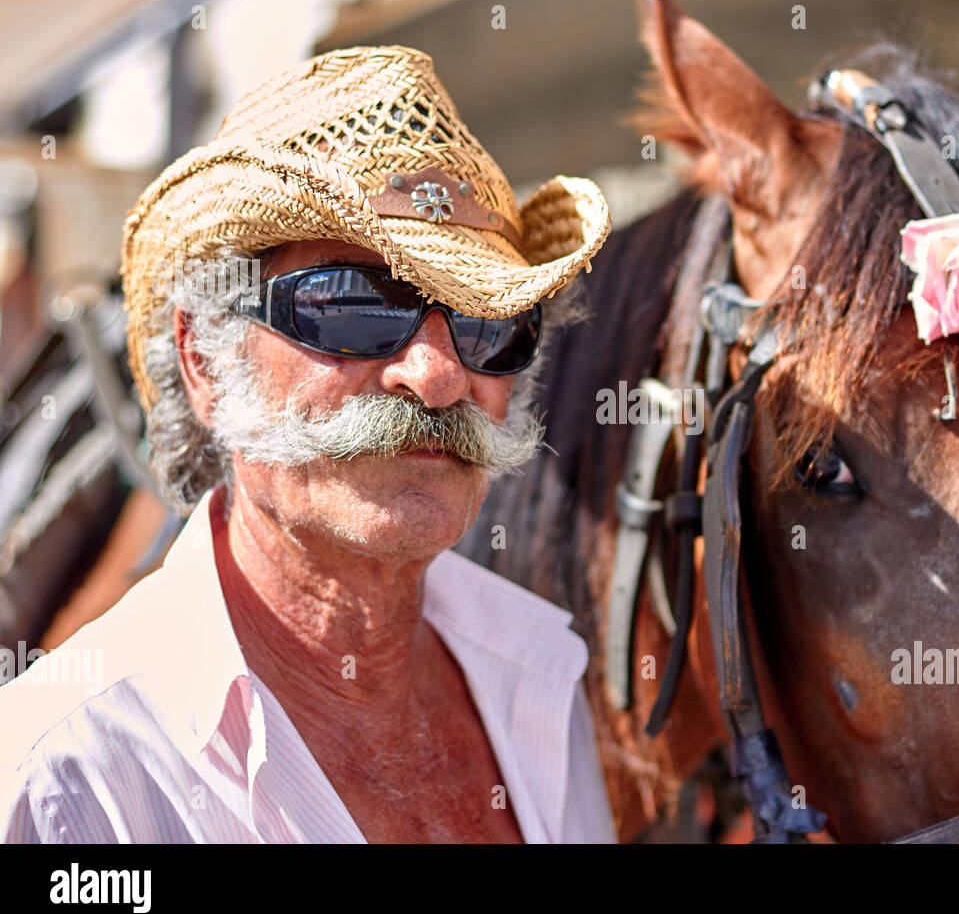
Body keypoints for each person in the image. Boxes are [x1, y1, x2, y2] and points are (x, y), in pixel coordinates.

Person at [0, 45, 616, 843]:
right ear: (204, 361)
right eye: (354, 305)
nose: (436, 377)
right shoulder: (65, 780)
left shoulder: (542, 682)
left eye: (486, 324)